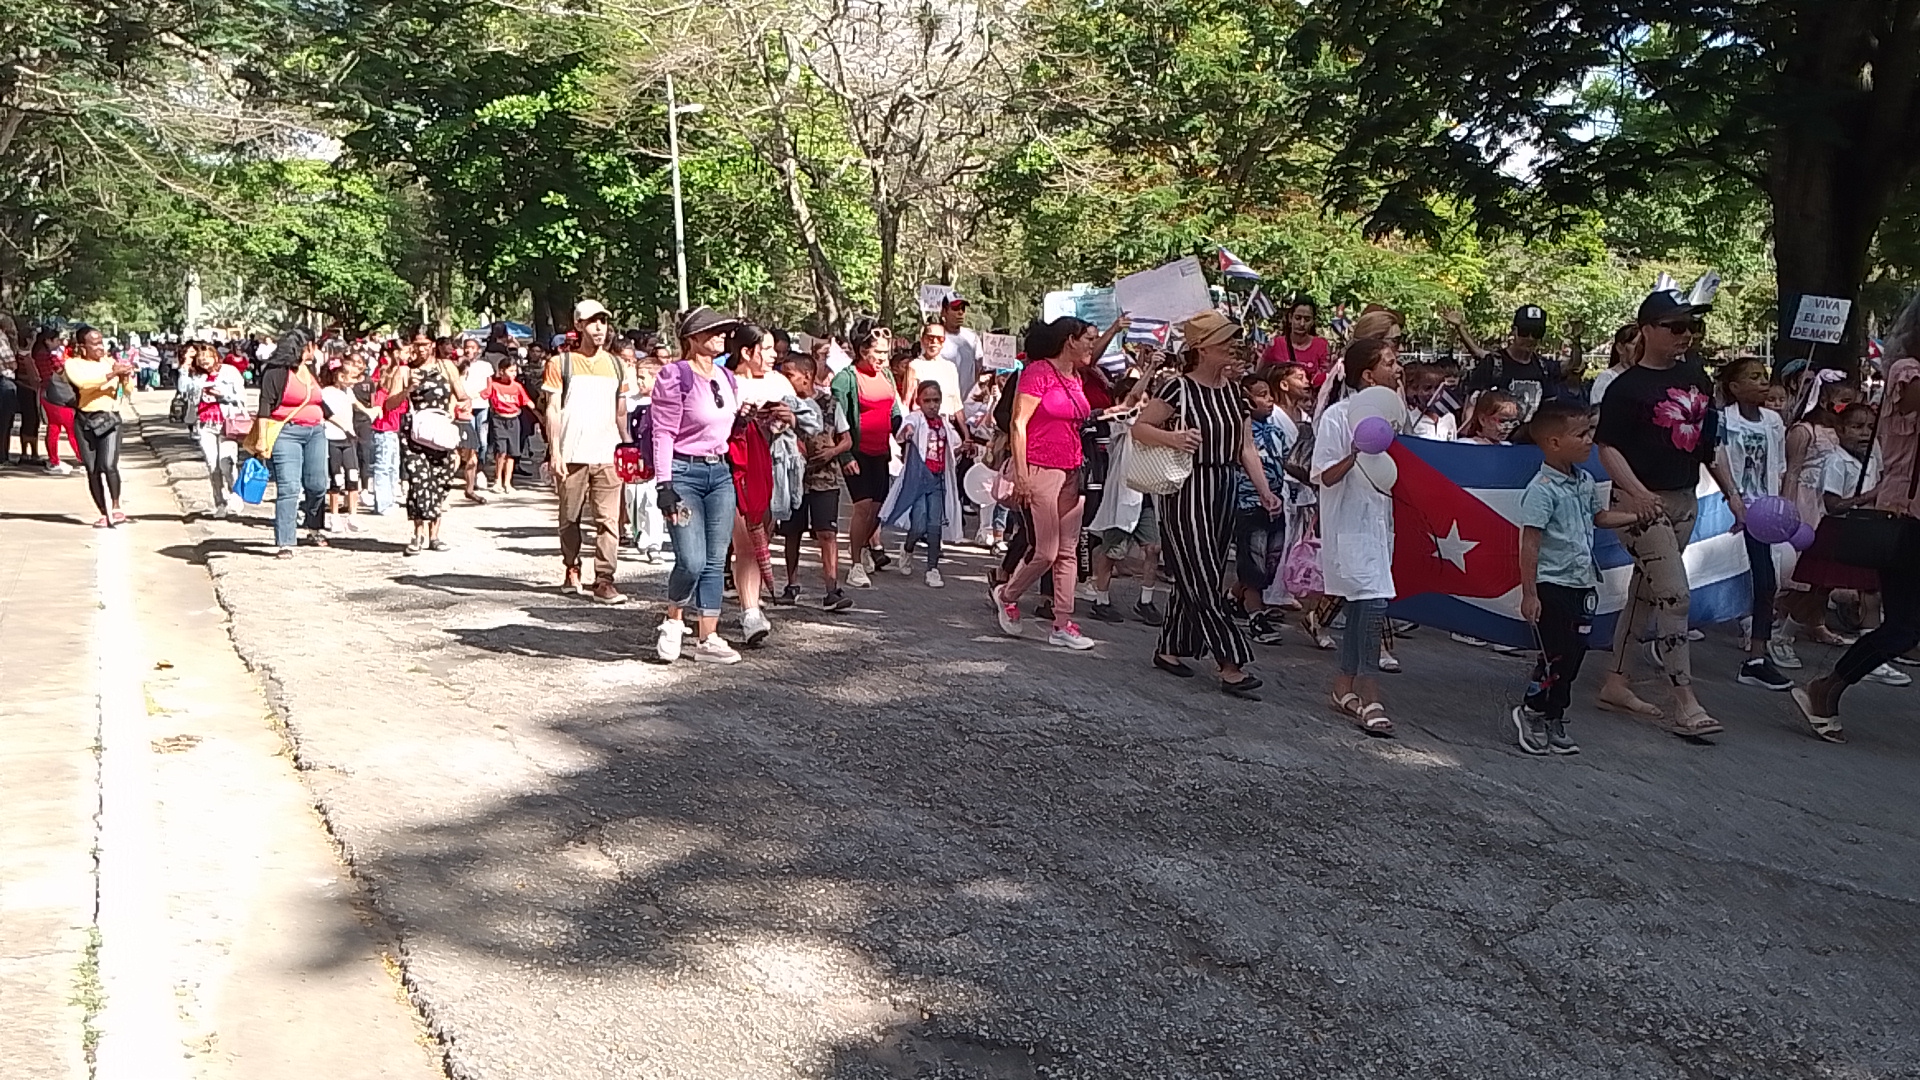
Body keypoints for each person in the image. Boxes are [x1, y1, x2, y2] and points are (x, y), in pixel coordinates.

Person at [1593, 289, 1747, 736]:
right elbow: (1608, 447)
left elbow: (1708, 442)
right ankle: (1685, 699)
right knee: (1675, 595)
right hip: (1641, 506)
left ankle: (1616, 681)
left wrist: (1731, 493)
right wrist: (1637, 493)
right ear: (1648, 329)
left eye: (1691, 327)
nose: (1686, 336)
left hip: (1683, 497)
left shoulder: (1697, 377)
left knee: (1647, 591)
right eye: (1675, 327)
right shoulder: (1625, 388)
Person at [1134, 310, 1282, 694]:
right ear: (1202, 347)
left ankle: (1170, 647)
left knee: (1204, 571)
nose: (1233, 346)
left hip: (1225, 484)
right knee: (1199, 572)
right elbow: (1140, 427)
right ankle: (1230, 661)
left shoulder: (1236, 393)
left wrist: (1264, 490)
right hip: (1187, 486)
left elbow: (1246, 446)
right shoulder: (1176, 388)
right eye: (1224, 340)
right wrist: (1173, 439)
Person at [1794, 301, 1920, 742]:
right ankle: (1826, 687)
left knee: (1905, 623)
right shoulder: (1907, 370)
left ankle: (1826, 687)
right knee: (1904, 624)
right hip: (1905, 518)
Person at [1513, 400, 1645, 754]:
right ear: (1554, 443)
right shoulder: (1542, 490)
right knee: (1554, 655)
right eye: (1581, 434)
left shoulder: (1584, 481)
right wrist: (1530, 593)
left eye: (1590, 431)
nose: (1590, 440)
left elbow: (1599, 518)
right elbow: (1530, 543)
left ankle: (1556, 714)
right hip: (1552, 584)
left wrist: (1635, 516)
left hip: (1583, 583)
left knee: (1575, 655)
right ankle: (1532, 711)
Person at [992, 316, 1104, 651]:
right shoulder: (1038, 372)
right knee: (1046, 551)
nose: (1092, 345)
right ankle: (1007, 594)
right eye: (1089, 339)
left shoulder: (1076, 377)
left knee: (1068, 552)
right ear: (1070, 340)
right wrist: (1023, 473)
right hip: (1040, 467)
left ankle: (1062, 623)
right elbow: (1017, 423)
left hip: (1071, 469)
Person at [1313, 337, 1404, 734]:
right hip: (1349, 525)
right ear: (1369, 375)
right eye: (1389, 362)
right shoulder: (1338, 417)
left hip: (1379, 525)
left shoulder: (1400, 419)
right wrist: (1355, 450)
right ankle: (1370, 694)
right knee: (1370, 607)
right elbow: (1325, 475)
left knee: (1364, 607)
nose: (1398, 368)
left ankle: (1342, 685)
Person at [651, 306, 745, 664]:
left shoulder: (726, 377)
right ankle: (674, 620)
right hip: (683, 472)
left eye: (723, 331)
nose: (721, 336)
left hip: (719, 473)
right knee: (690, 559)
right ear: (692, 338)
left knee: (715, 558)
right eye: (713, 331)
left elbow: (724, 425)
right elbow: (663, 432)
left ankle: (709, 636)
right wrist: (665, 484)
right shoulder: (674, 376)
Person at [542, 300, 633, 602]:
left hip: (607, 454)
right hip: (572, 454)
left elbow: (621, 411)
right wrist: (554, 451)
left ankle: (604, 579)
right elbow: (553, 409)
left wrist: (628, 444)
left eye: (603, 322)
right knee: (570, 517)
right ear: (578, 325)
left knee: (609, 521)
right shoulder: (560, 364)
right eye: (593, 322)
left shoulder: (618, 365)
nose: (599, 328)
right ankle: (572, 566)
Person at [1716, 356, 1793, 692]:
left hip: (1763, 512)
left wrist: (1778, 506)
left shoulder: (1773, 422)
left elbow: (1778, 465)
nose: (1763, 382)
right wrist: (1732, 497)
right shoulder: (1723, 421)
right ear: (1734, 387)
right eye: (1754, 377)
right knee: (1713, 580)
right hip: (1731, 509)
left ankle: (1757, 656)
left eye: (1764, 376)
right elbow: (1715, 458)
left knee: (1766, 582)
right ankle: (1668, 638)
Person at [724, 322, 796, 645]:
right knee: (742, 543)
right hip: (730, 467)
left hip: (768, 468)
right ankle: (749, 611)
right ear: (746, 351)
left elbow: (804, 417)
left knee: (758, 540)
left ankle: (749, 605)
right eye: (765, 349)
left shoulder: (779, 382)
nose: (772, 355)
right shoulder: (726, 383)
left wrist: (786, 418)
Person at [777, 353, 854, 610]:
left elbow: (846, 438)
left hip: (825, 477)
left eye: (789, 375)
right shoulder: (782, 404)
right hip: (793, 476)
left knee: (827, 533)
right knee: (792, 531)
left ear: (807, 375)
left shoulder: (830, 404)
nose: (785, 381)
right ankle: (791, 583)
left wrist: (832, 452)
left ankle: (832, 588)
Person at [831, 319, 903, 588]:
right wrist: (845, 456)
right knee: (862, 507)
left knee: (878, 508)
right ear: (863, 351)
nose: (884, 358)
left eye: (886, 353)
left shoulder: (887, 376)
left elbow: (894, 410)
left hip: (881, 451)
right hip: (856, 452)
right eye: (879, 352)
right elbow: (836, 420)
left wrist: (903, 435)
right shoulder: (845, 380)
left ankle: (862, 547)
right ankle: (856, 564)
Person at [389, 327, 468, 555]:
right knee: (419, 483)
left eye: (425, 344)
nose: (421, 349)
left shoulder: (446, 367)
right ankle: (418, 534)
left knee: (440, 482)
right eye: (417, 344)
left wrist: (460, 406)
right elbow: (389, 404)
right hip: (416, 436)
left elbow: (462, 395)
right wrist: (408, 390)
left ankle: (435, 535)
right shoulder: (405, 372)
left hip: (441, 432)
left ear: (433, 343)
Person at [880, 381, 964, 587]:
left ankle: (932, 567)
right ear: (919, 401)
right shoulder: (916, 418)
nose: (932, 405)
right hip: (918, 480)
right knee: (918, 523)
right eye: (927, 400)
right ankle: (908, 547)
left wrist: (964, 448)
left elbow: (955, 444)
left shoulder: (944, 424)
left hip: (938, 480)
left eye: (936, 400)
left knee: (934, 524)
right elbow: (907, 428)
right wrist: (907, 431)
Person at [256, 329, 330, 555]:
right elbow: (265, 407)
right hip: (286, 433)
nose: (315, 350)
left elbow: (318, 402)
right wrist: (261, 439)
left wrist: (345, 426)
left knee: (318, 485)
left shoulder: (310, 370)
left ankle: (314, 526)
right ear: (302, 346)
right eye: (313, 345)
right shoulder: (276, 372)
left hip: (316, 432)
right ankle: (285, 540)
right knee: (289, 487)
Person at [1233, 370, 1292, 646]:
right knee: (1253, 563)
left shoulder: (1277, 432)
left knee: (1270, 562)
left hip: (1276, 505)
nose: (1269, 401)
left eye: (1269, 395)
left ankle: (1235, 597)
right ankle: (1256, 617)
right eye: (1261, 395)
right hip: (1248, 505)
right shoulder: (1240, 432)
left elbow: (1287, 462)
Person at [61, 326, 135, 527]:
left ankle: (117, 506)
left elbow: (127, 390)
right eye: (94, 344)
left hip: (109, 418)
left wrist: (125, 376)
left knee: (108, 464)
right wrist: (111, 375)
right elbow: (84, 385)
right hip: (85, 418)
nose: (100, 348)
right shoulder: (73, 364)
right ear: (82, 347)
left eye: (101, 342)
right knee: (92, 468)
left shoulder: (109, 362)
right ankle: (103, 512)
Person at [1445, 304, 1567, 421]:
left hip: (1532, 439)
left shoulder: (1544, 367)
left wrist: (1576, 342)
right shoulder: (1493, 364)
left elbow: (1572, 367)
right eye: (1524, 332)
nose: (1530, 338)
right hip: (1495, 439)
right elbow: (1471, 406)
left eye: (1537, 333)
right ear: (1514, 331)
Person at [176, 341, 247, 518]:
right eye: (200, 359)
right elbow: (183, 390)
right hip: (205, 424)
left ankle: (235, 495)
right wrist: (184, 368)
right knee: (212, 465)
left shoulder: (229, 371)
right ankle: (220, 503)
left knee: (226, 463)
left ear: (215, 356)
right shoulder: (197, 376)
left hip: (226, 423)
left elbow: (241, 396)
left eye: (207, 358)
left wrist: (222, 394)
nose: (204, 362)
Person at [321, 359, 364, 531]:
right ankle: (334, 515)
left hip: (349, 439)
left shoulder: (348, 391)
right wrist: (344, 427)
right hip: (333, 437)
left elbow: (355, 405)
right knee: (336, 478)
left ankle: (353, 516)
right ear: (338, 376)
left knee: (353, 476)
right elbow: (327, 414)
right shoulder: (326, 393)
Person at [483, 358, 534, 494]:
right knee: (501, 451)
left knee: (513, 452)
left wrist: (536, 409)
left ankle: (508, 482)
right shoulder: (494, 385)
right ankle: (497, 480)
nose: (513, 374)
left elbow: (526, 400)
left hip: (514, 420)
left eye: (515, 371)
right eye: (510, 371)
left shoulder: (517, 386)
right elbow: (484, 394)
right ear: (501, 371)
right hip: (499, 419)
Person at [34, 328, 80, 475]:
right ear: (48, 341)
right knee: (71, 427)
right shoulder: (50, 357)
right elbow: (63, 373)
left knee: (53, 428)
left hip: (46, 394)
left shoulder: (37, 355)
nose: (58, 343)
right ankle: (82, 457)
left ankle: (54, 460)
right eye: (56, 340)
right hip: (57, 394)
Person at [1260, 297, 1334, 386]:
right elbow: (1260, 374)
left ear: (1313, 321)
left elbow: (1327, 379)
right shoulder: (1275, 345)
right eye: (1298, 318)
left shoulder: (1321, 345)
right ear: (1291, 318)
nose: (1302, 324)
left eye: (1307, 319)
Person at [907, 320, 965, 424]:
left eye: (939, 338)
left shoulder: (950, 367)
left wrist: (966, 434)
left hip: (949, 424)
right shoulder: (915, 365)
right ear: (922, 340)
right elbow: (907, 402)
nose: (934, 342)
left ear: (944, 342)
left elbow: (957, 404)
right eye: (930, 338)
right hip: (924, 424)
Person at [937, 295, 982, 396]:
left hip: (966, 402)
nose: (960, 312)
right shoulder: (935, 338)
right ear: (944, 311)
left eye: (963, 308)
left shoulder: (972, 338)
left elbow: (978, 367)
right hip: (941, 401)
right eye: (955, 309)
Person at [1586, 324, 1640, 406]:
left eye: (1642, 345)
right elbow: (1597, 410)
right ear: (1620, 348)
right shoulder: (1607, 378)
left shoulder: (1644, 376)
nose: (1639, 350)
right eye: (1634, 344)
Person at [1456, 390, 1521, 444]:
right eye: (1502, 421)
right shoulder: (1466, 445)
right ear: (1482, 420)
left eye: (1512, 422)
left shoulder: (1508, 447)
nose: (1508, 428)